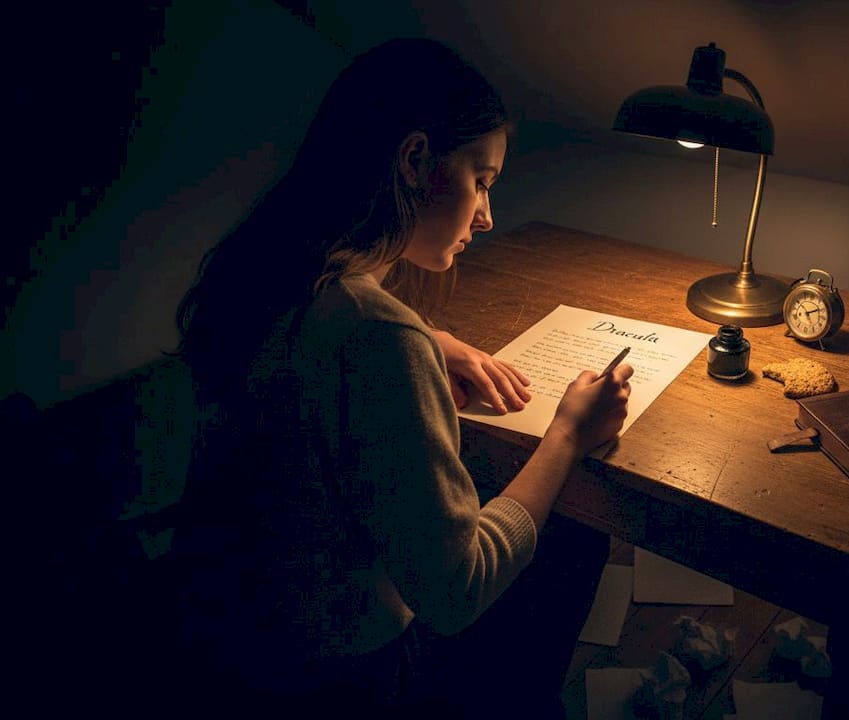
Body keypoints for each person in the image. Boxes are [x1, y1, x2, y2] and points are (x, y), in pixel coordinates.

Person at [169, 38, 632, 716]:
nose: (486, 214)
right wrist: (566, 433)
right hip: (338, 681)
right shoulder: (378, 336)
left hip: (226, 642)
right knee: (578, 530)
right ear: (416, 160)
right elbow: (456, 593)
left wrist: (434, 339)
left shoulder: (259, 274)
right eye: (482, 180)